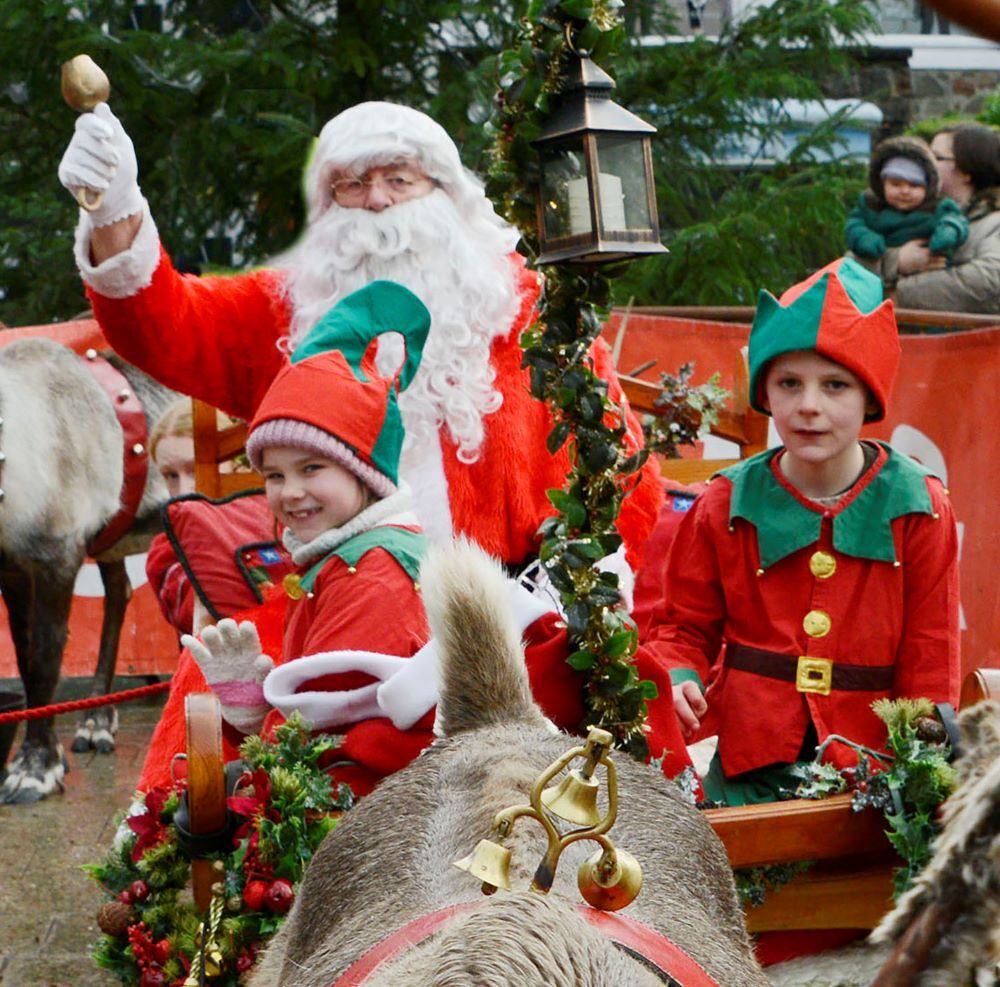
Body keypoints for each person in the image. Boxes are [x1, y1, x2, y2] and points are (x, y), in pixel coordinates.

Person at [57, 100, 662, 588]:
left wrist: (568, 592)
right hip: (330, 610)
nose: (377, 200)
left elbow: (624, 471)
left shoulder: (527, 311)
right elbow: (162, 326)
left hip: (518, 617)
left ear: (444, 194)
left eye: (399, 179)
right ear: (328, 202)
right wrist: (115, 207)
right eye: (352, 184)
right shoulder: (283, 312)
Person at [138, 281, 694, 797]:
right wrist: (252, 709)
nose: (291, 493)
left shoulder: (371, 570)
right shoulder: (338, 559)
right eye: (275, 475)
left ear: (365, 476)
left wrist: (251, 724)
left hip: (397, 808)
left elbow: (327, 750)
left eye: (312, 470)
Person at [642, 256, 960, 808]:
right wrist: (676, 672)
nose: (809, 406)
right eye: (790, 383)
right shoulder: (725, 501)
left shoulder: (919, 506)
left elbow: (932, 660)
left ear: (869, 399)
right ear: (767, 393)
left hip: (872, 777)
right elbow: (681, 628)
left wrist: (920, 775)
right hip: (746, 765)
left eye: (835, 385)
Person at [862, 123, 1000, 313]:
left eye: (936, 158)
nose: (923, 165)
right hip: (896, 337)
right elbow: (849, 268)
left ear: (967, 171)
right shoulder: (899, 209)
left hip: (962, 340)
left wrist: (898, 295)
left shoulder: (994, 222)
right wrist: (896, 260)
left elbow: (990, 279)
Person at [845, 135, 968, 265]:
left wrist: (949, 231)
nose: (905, 191)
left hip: (930, 269)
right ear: (882, 184)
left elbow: (956, 219)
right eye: (896, 184)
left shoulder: (938, 207)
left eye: (914, 185)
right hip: (880, 269)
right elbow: (854, 224)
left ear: (928, 186)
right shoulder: (870, 205)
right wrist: (862, 237)